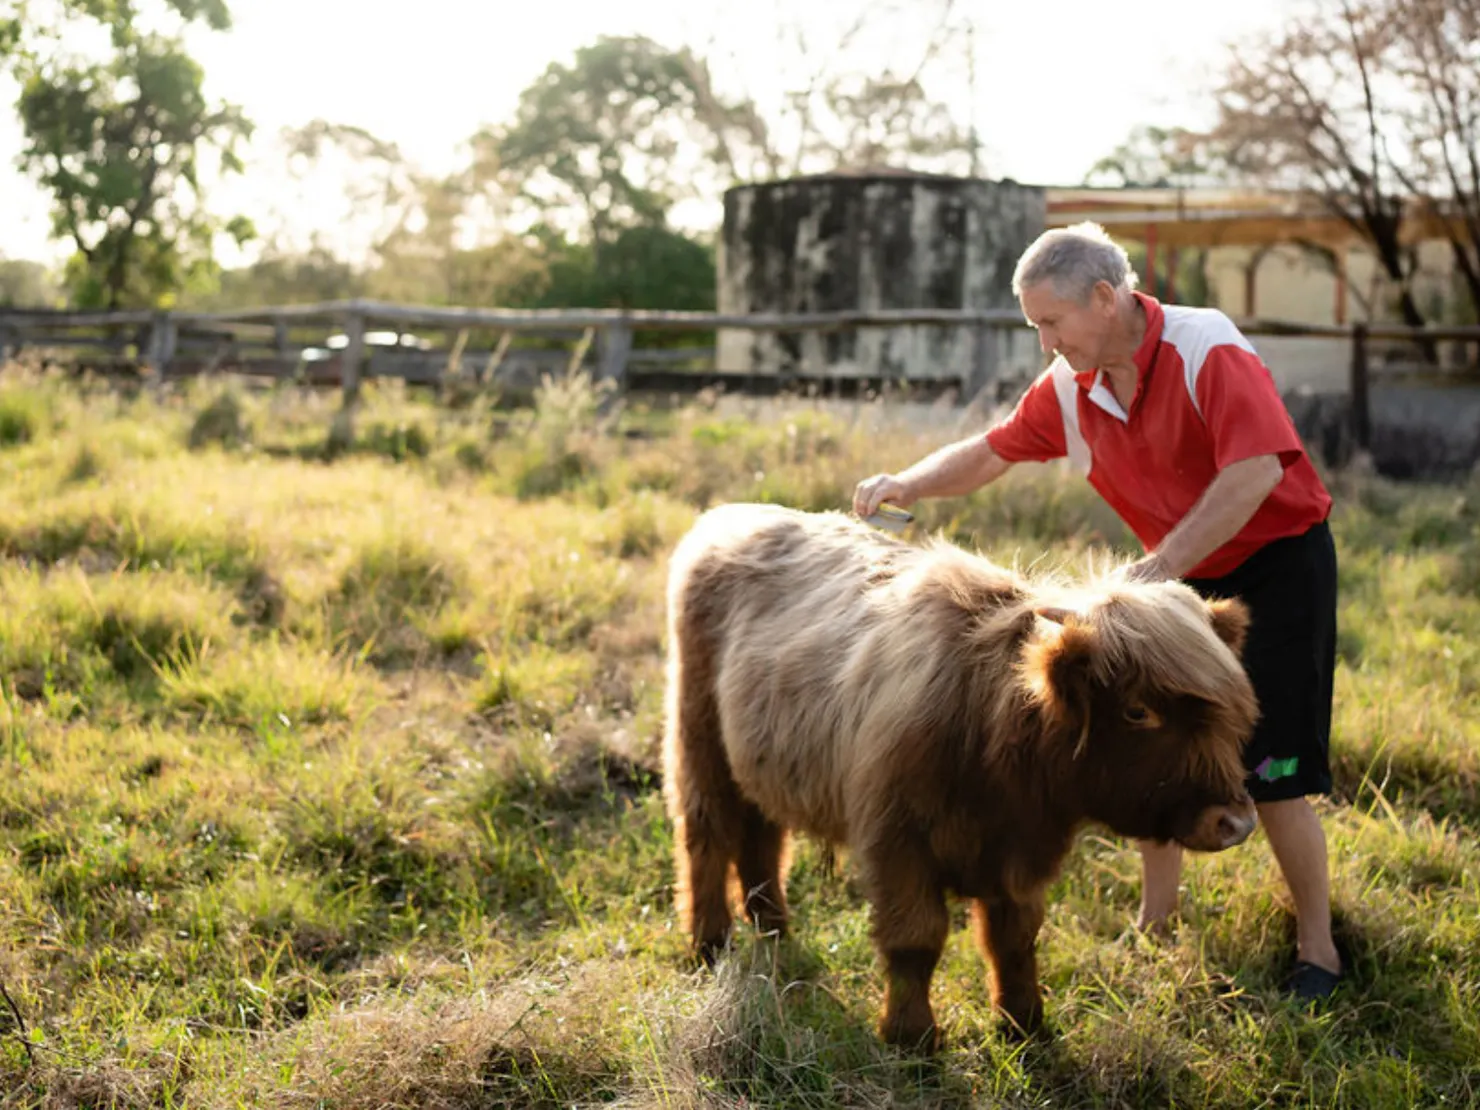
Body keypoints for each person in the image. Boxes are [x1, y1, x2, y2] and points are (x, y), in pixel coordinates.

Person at [852, 221, 1342, 1000]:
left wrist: (1157, 572)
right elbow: (991, 449)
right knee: (1141, 740)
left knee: (1274, 770)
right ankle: (1158, 919)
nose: (1045, 342)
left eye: (1052, 322)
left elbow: (1253, 471)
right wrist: (907, 484)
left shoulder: (1204, 348)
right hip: (1171, 583)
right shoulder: (1070, 388)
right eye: (1034, 326)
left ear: (1106, 298)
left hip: (1276, 569)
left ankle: (1319, 949)